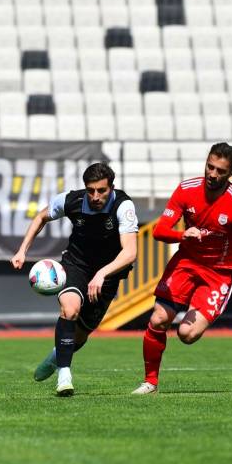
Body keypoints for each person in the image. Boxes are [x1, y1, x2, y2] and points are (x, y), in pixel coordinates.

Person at [132, 142, 232, 395]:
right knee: (159, 318)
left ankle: (203, 309)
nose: (212, 174)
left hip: (219, 272)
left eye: (220, 170)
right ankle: (150, 382)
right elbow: (160, 230)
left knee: (186, 333)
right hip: (186, 263)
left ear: (230, 173)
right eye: (210, 167)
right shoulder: (187, 190)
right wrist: (183, 235)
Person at [12, 162, 138, 397]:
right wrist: (22, 250)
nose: (95, 196)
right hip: (76, 265)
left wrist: (102, 273)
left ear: (111, 188)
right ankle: (64, 375)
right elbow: (41, 217)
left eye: (101, 190)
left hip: (108, 274)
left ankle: (55, 356)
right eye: (90, 190)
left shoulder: (123, 205)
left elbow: (130, 252)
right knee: (70, 311)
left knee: (80, 335)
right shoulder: (71, 200)